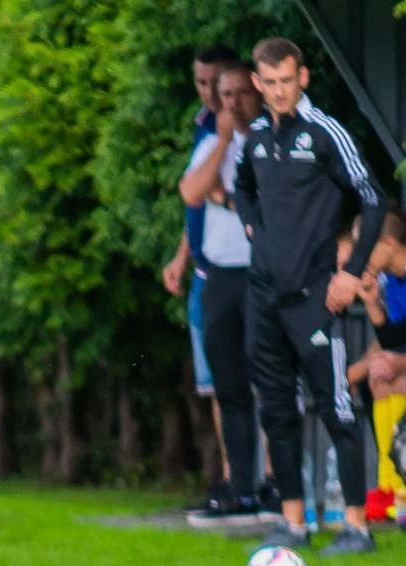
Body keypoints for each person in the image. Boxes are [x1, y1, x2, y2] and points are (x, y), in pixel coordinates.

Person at [236, 36, 387, 554]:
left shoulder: (325, 133)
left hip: (315, 297)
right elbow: (241, 187)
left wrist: (352, 273)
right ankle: (293, 523)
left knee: (336, 408)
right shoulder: (256, 137)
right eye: (270, 82)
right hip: (263, 296)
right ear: (257, 82)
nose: (279, 91)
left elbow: (373, 198)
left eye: (287, 80)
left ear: (302, 77)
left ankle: (356, 527)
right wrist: (253, 227)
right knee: (277, 409)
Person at [179, 62, 262, 527]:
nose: (231, 103)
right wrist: (225, 142)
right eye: (225, 95)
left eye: (240, 93)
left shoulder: (270, 141)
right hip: (220, 276)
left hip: (260, 274)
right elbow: (192, 192)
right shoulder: (214, 142)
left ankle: (276, 484)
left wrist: (226, 197)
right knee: (227, 386)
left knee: (269, 382)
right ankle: (240, 485)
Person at [168, 44, 239, 515]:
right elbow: (195, 196)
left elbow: (210, 192)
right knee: (215, 384)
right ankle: (232, 478)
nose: (209, 92)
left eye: (216, 82)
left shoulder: (238, 129)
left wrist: (225, 140)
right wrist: (181, 255)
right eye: (201, 82)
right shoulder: (203, 125)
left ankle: (259, 479)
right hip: (204, 270)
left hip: (238, 273)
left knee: (247, 382)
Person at [348, 209, 406, 520]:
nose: (360, 256)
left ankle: (402, 488)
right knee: (380, 377)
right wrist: (372, 303)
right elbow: (394, 339)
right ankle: (389, 485)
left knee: (398, 378)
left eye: (365, 245)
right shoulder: (392, 281)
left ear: (388, 244)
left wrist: (401, 362)